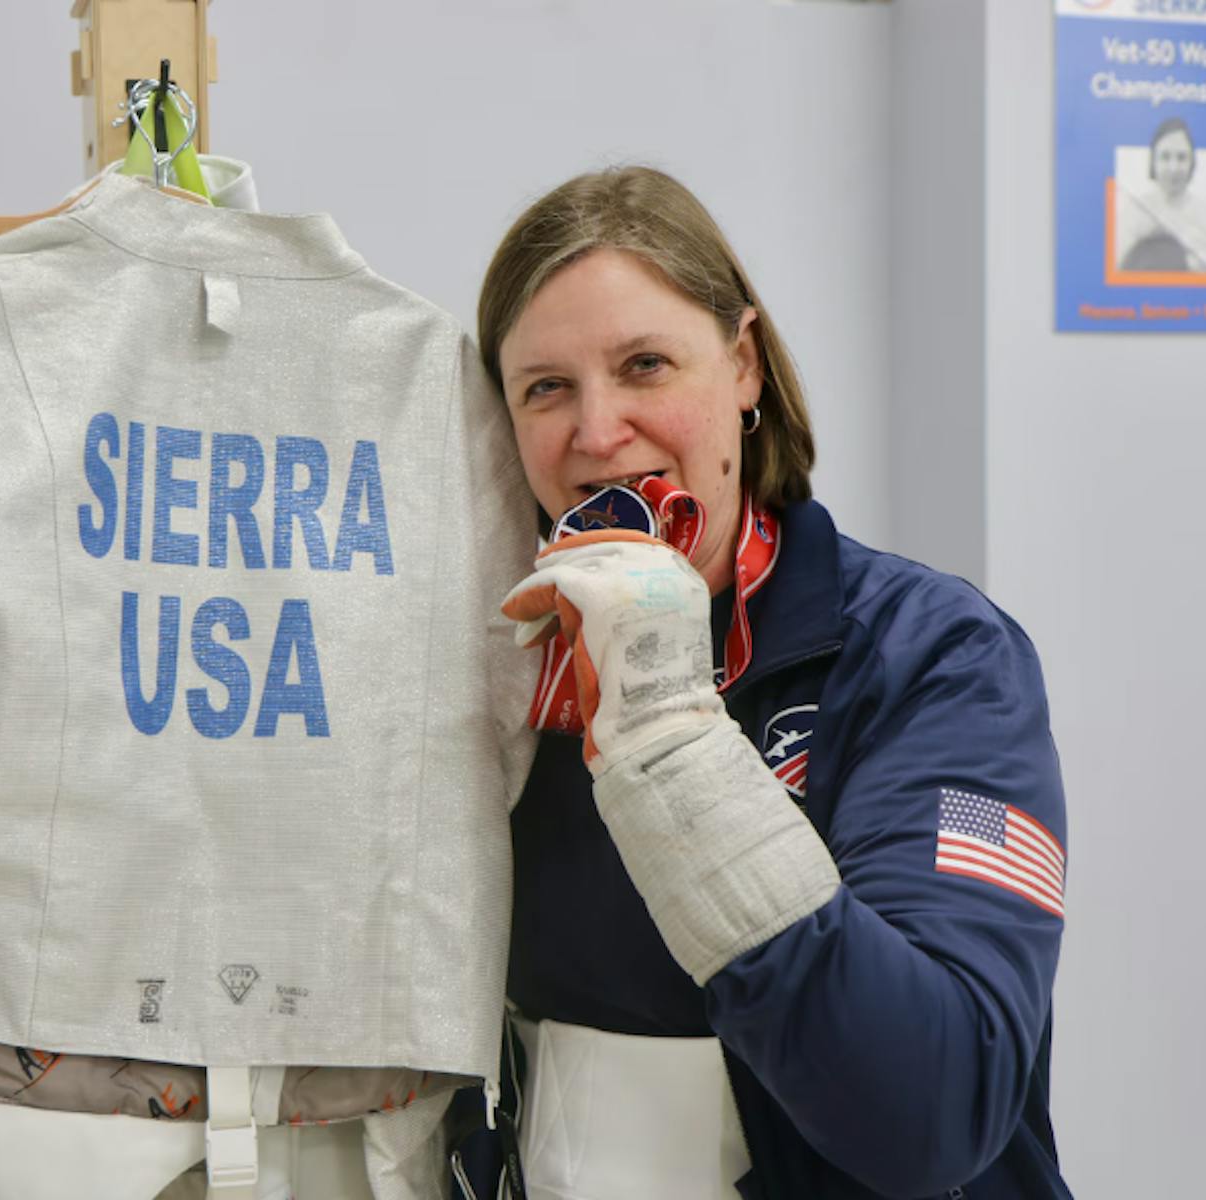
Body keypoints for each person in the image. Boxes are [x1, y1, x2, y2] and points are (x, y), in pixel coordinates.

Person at [452, 166, 1073, 1200]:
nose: (598, 432)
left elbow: (932, 1107)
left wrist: (665, 732)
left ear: (742, 366)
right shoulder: (506, 678)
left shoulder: (940, 660)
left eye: (645, 364)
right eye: (545, 388)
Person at [1116, 116, 1206, 273]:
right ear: (1153, 162)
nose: (1173, 168)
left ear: (1192, 163)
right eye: (1165, 157)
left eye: (1181, 158)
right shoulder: (1133, 213)